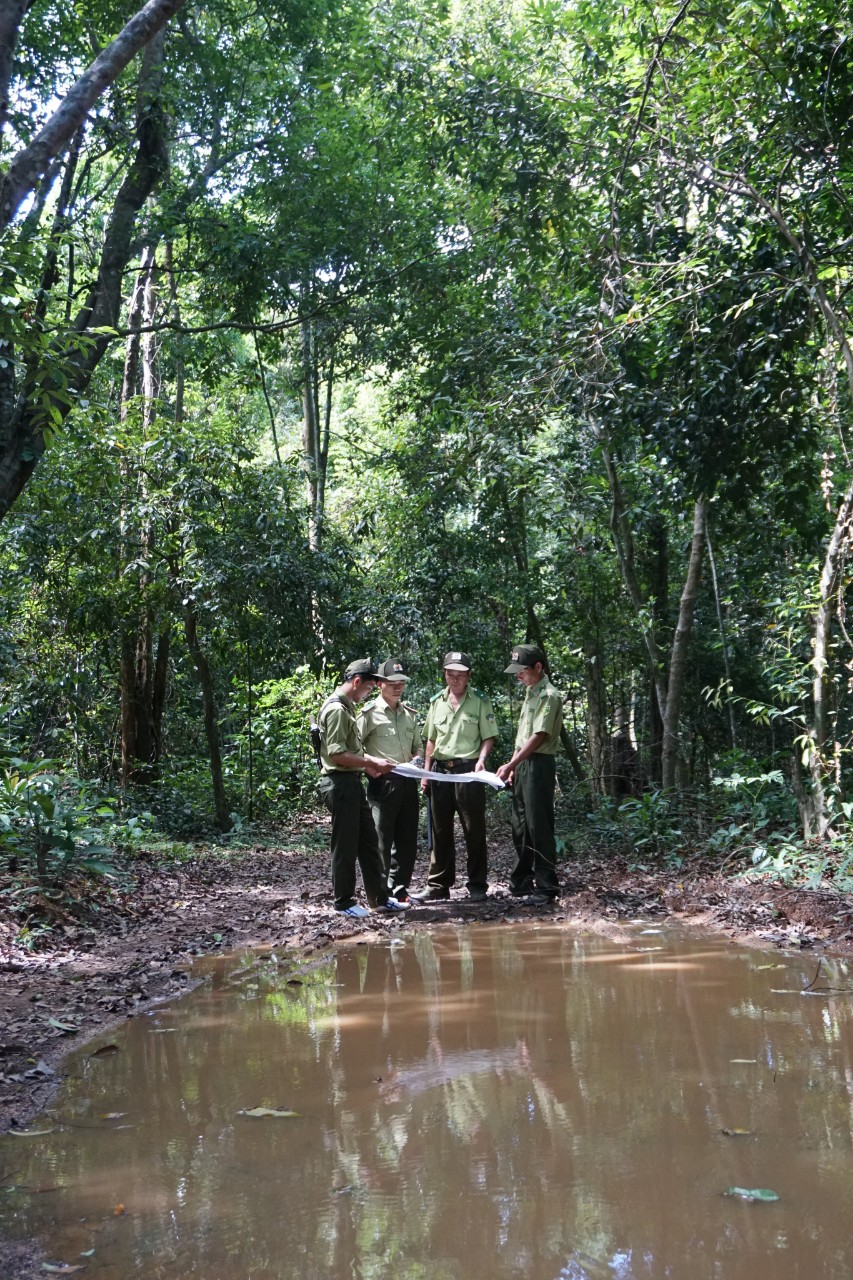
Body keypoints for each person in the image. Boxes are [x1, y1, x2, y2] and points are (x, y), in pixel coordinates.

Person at [317, 658, 408, 918]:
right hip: (339, 783)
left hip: (353, 780)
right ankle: (343, 902)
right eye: (369, 688)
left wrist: (367, 767)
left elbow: (349, 751)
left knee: (369, 842)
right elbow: (336, 754)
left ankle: (380, 898)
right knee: (345, 845)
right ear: (357, 682)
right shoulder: (336, 709)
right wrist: (371, 761)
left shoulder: (347, 707)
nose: (368, 694)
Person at [413, 650, 497, 902]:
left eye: (460, 675)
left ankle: (477, 885)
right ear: (445, 674)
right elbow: (430, 740)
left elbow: (488, 736)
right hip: (440, 771)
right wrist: (426, 773)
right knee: (439, 830)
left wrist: (481, 761)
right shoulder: (436, 702)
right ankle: (438, 885)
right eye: (450, 674)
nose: (455, 679)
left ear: (468, 676)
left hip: (468, 771)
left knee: (474, 829)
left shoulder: (480, 701)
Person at [496, 643, 563, 904]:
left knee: (539, 826)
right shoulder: (530, 692)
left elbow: (538, 736)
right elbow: (522, 735)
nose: (518, 676)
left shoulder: (548, 695)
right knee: (520, 824)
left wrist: (511, 765)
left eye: (522, 670)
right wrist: (514, 766)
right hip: (523, 765)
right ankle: (521, 881)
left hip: (539, 764)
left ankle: (546, 887)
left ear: (538, 667)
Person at [360, 657, 424, 903]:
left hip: (408, 782)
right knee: (381, 841)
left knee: (407, 841)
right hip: (383, 783)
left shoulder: (408, 715)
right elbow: (354, 747)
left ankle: (400, 889)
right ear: (379, 684)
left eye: (401, 682)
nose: (398, 687)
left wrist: (417, 760)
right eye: (392, 682)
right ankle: (380, 893)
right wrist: (369, 765)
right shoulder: (369, 714)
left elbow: (418, 746)